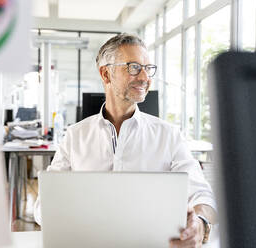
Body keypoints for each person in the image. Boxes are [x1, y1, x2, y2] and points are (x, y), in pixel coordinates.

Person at [34, 33, 217, 247]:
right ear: (106, 74)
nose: (144, 77)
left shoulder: (168, 135)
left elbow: (204, 196)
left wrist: (200, 224)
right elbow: (43, 206)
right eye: (134, 67)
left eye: (148, 68)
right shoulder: (76, 135)